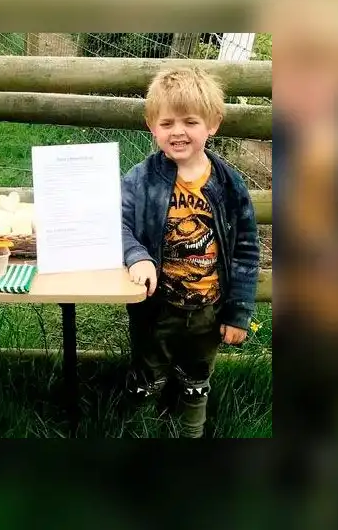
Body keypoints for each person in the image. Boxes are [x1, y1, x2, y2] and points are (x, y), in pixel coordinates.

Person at [120, 66, 260, 438]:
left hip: (208, 312)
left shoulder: (229, 184)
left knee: (197, 378)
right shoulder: (140, 179)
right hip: (155, 309)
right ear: (151, 126)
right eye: (167, 123)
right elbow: (118, 224)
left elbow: (246, 248)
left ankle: (191, 433)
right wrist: (137, 255)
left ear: (213, 124)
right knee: (147, 372)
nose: (178, 131)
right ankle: (136, 430)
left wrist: (238, 312)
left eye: (190, 122)